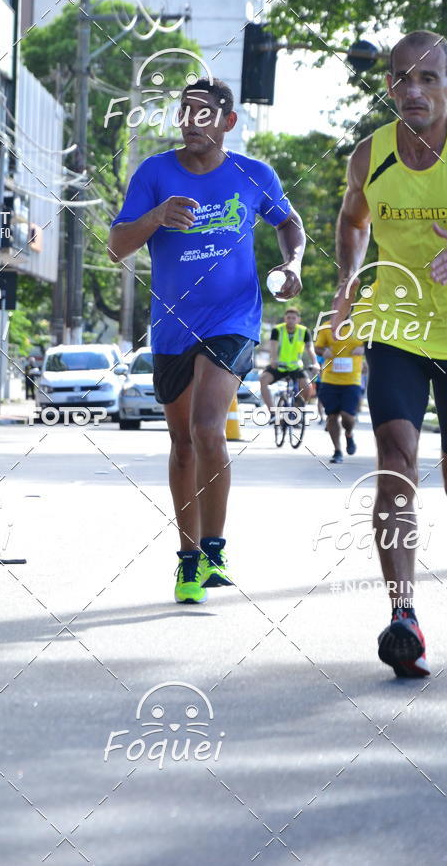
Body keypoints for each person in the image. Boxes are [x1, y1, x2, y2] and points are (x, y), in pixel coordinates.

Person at [108, 77, 306, 604]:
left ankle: (215, 549)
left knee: (206, 427)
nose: (191, 122)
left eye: (204, 113)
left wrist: (292, 263)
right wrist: (156, 217)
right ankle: (189, 559)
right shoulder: (154, 174)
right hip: (173, 325)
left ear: (227, 122)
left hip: (233, 318)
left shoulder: (253, 174)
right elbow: (116, 247)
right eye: (185, 112)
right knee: (181, 444)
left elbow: (288, 222)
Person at [332, 30, 447, 678]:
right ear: (388, 86)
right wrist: (347, 283)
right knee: (395, 460)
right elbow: (353, 220)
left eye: (427, 78)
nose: (413, 90)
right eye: (401, 79)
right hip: (398, 328)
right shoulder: (371, 155)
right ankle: (403, 616)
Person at [314, 323, 364, 463]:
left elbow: (372, 345)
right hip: (329, 379)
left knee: (347, 416)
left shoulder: (360, 325)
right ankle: (337, 451)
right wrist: (323, 352)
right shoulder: (326, 327)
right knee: (332, 416)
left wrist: (363, 348)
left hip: (352, 380)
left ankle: (349, 434)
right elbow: (317, 348)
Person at [259, 308, 318, 409]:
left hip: (296, 367)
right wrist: (273, 359)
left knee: (308, 388)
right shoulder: (277, 330)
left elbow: (309, 348)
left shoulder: (304, 331)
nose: (291, 320)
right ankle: (273, 412)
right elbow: (273, 346)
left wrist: (315, 363)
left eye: (293, 318)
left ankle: (299, 407)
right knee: (263, 379)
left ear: (298, 319)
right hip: (279, 366)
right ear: (285, 318)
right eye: (288, 317)